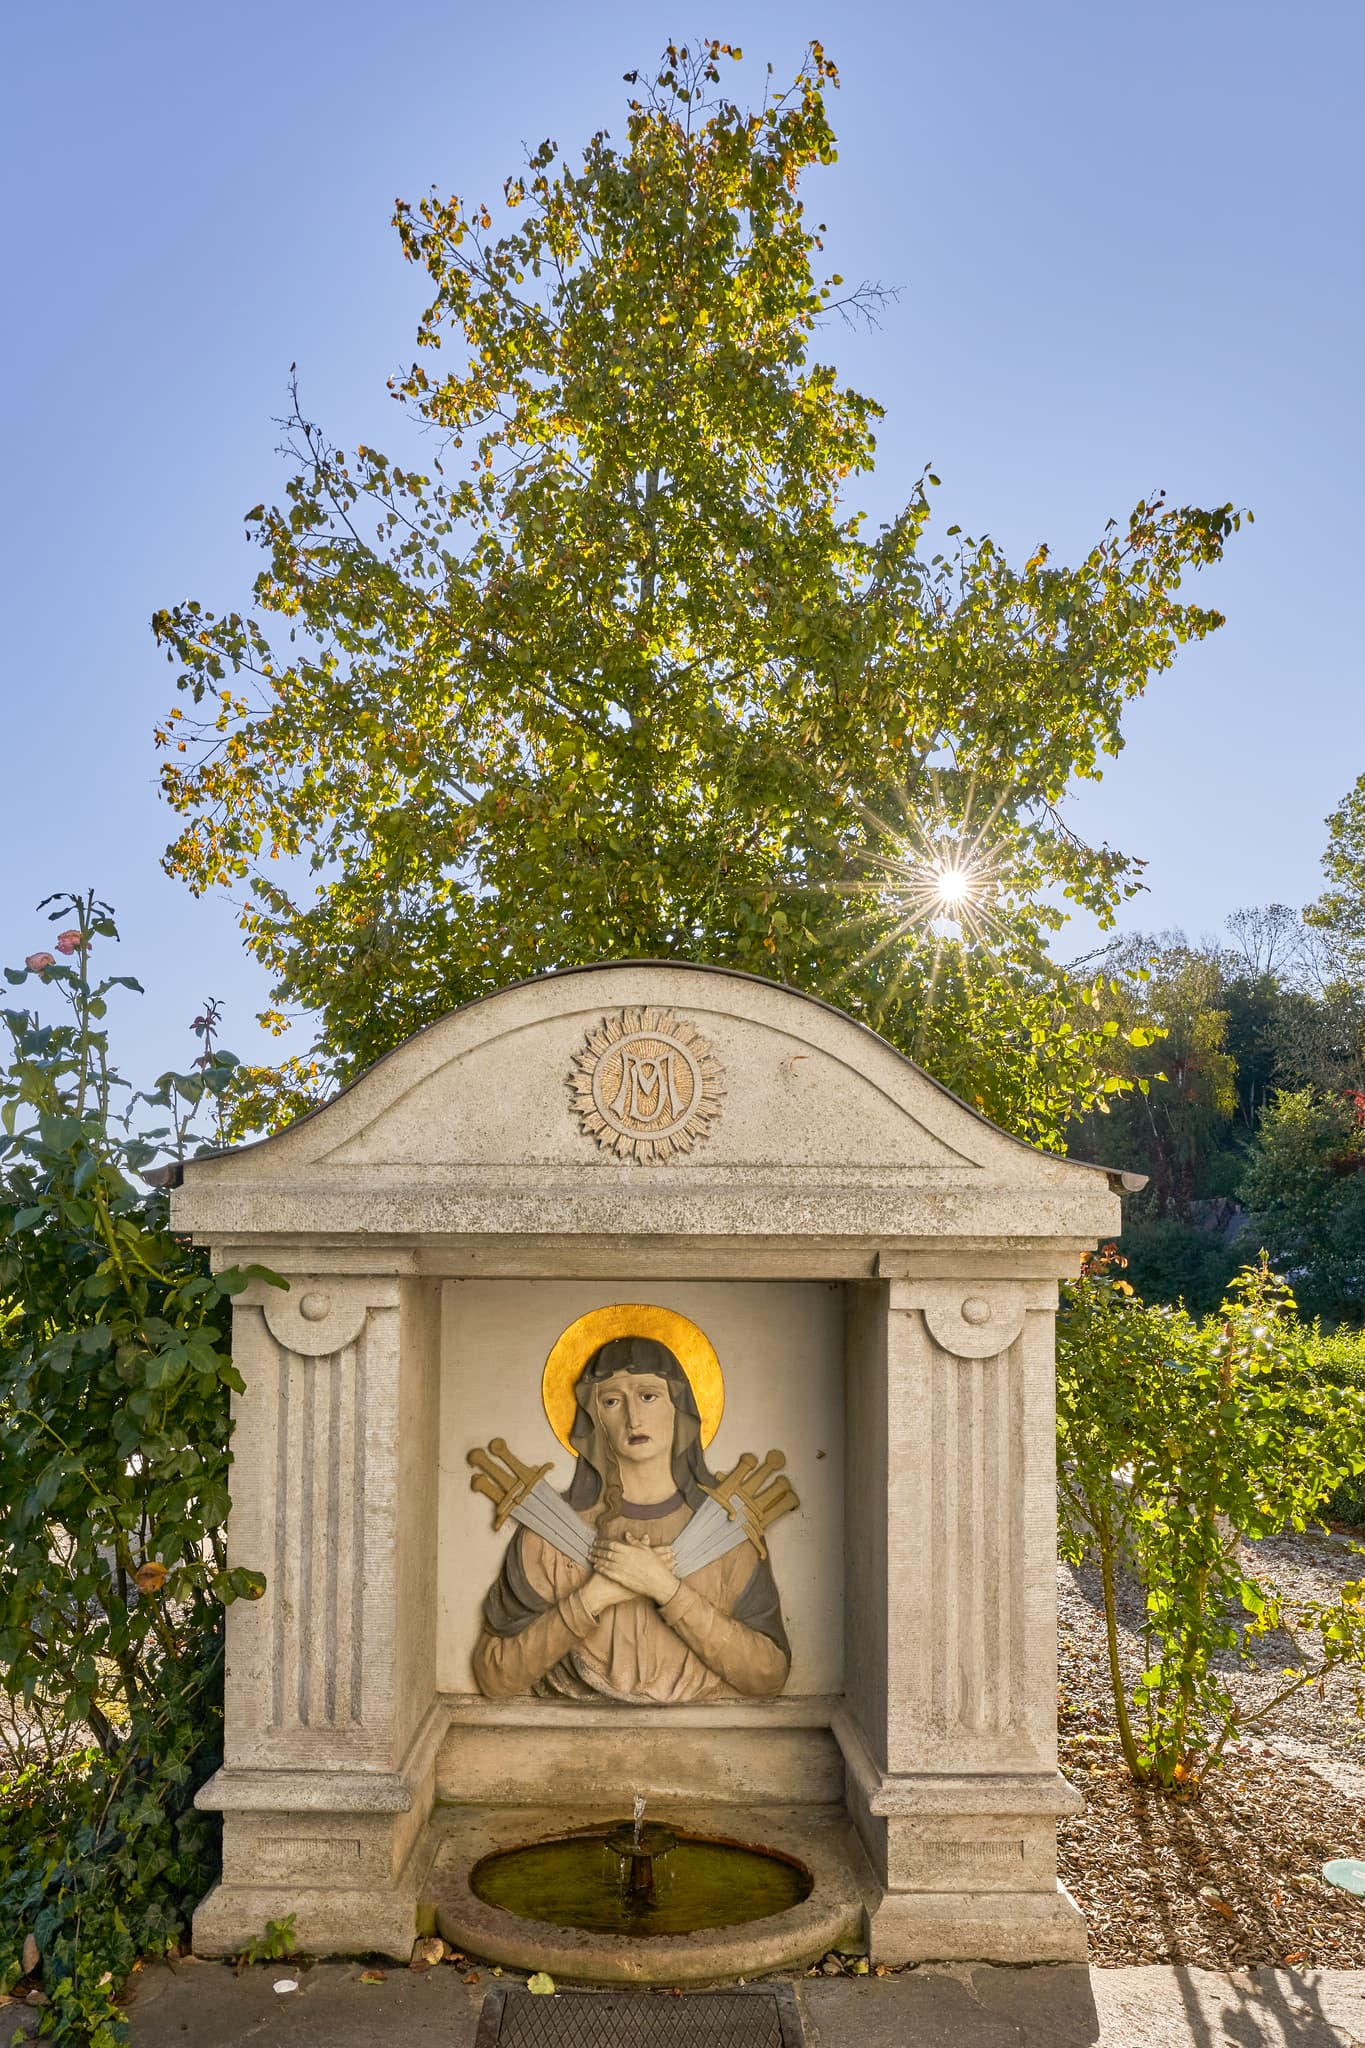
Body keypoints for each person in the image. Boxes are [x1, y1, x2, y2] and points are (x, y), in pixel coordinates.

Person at [473, 1335, 790, 1702]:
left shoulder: (726, 1533)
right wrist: (593, 1596)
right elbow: (495, 1677)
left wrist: (664, 1588)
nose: (633, 1418)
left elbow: (768, 1677)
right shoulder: (545, 1536)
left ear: (679, 1407)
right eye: (611, 1401)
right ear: (595, 1419)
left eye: (648, 1395)